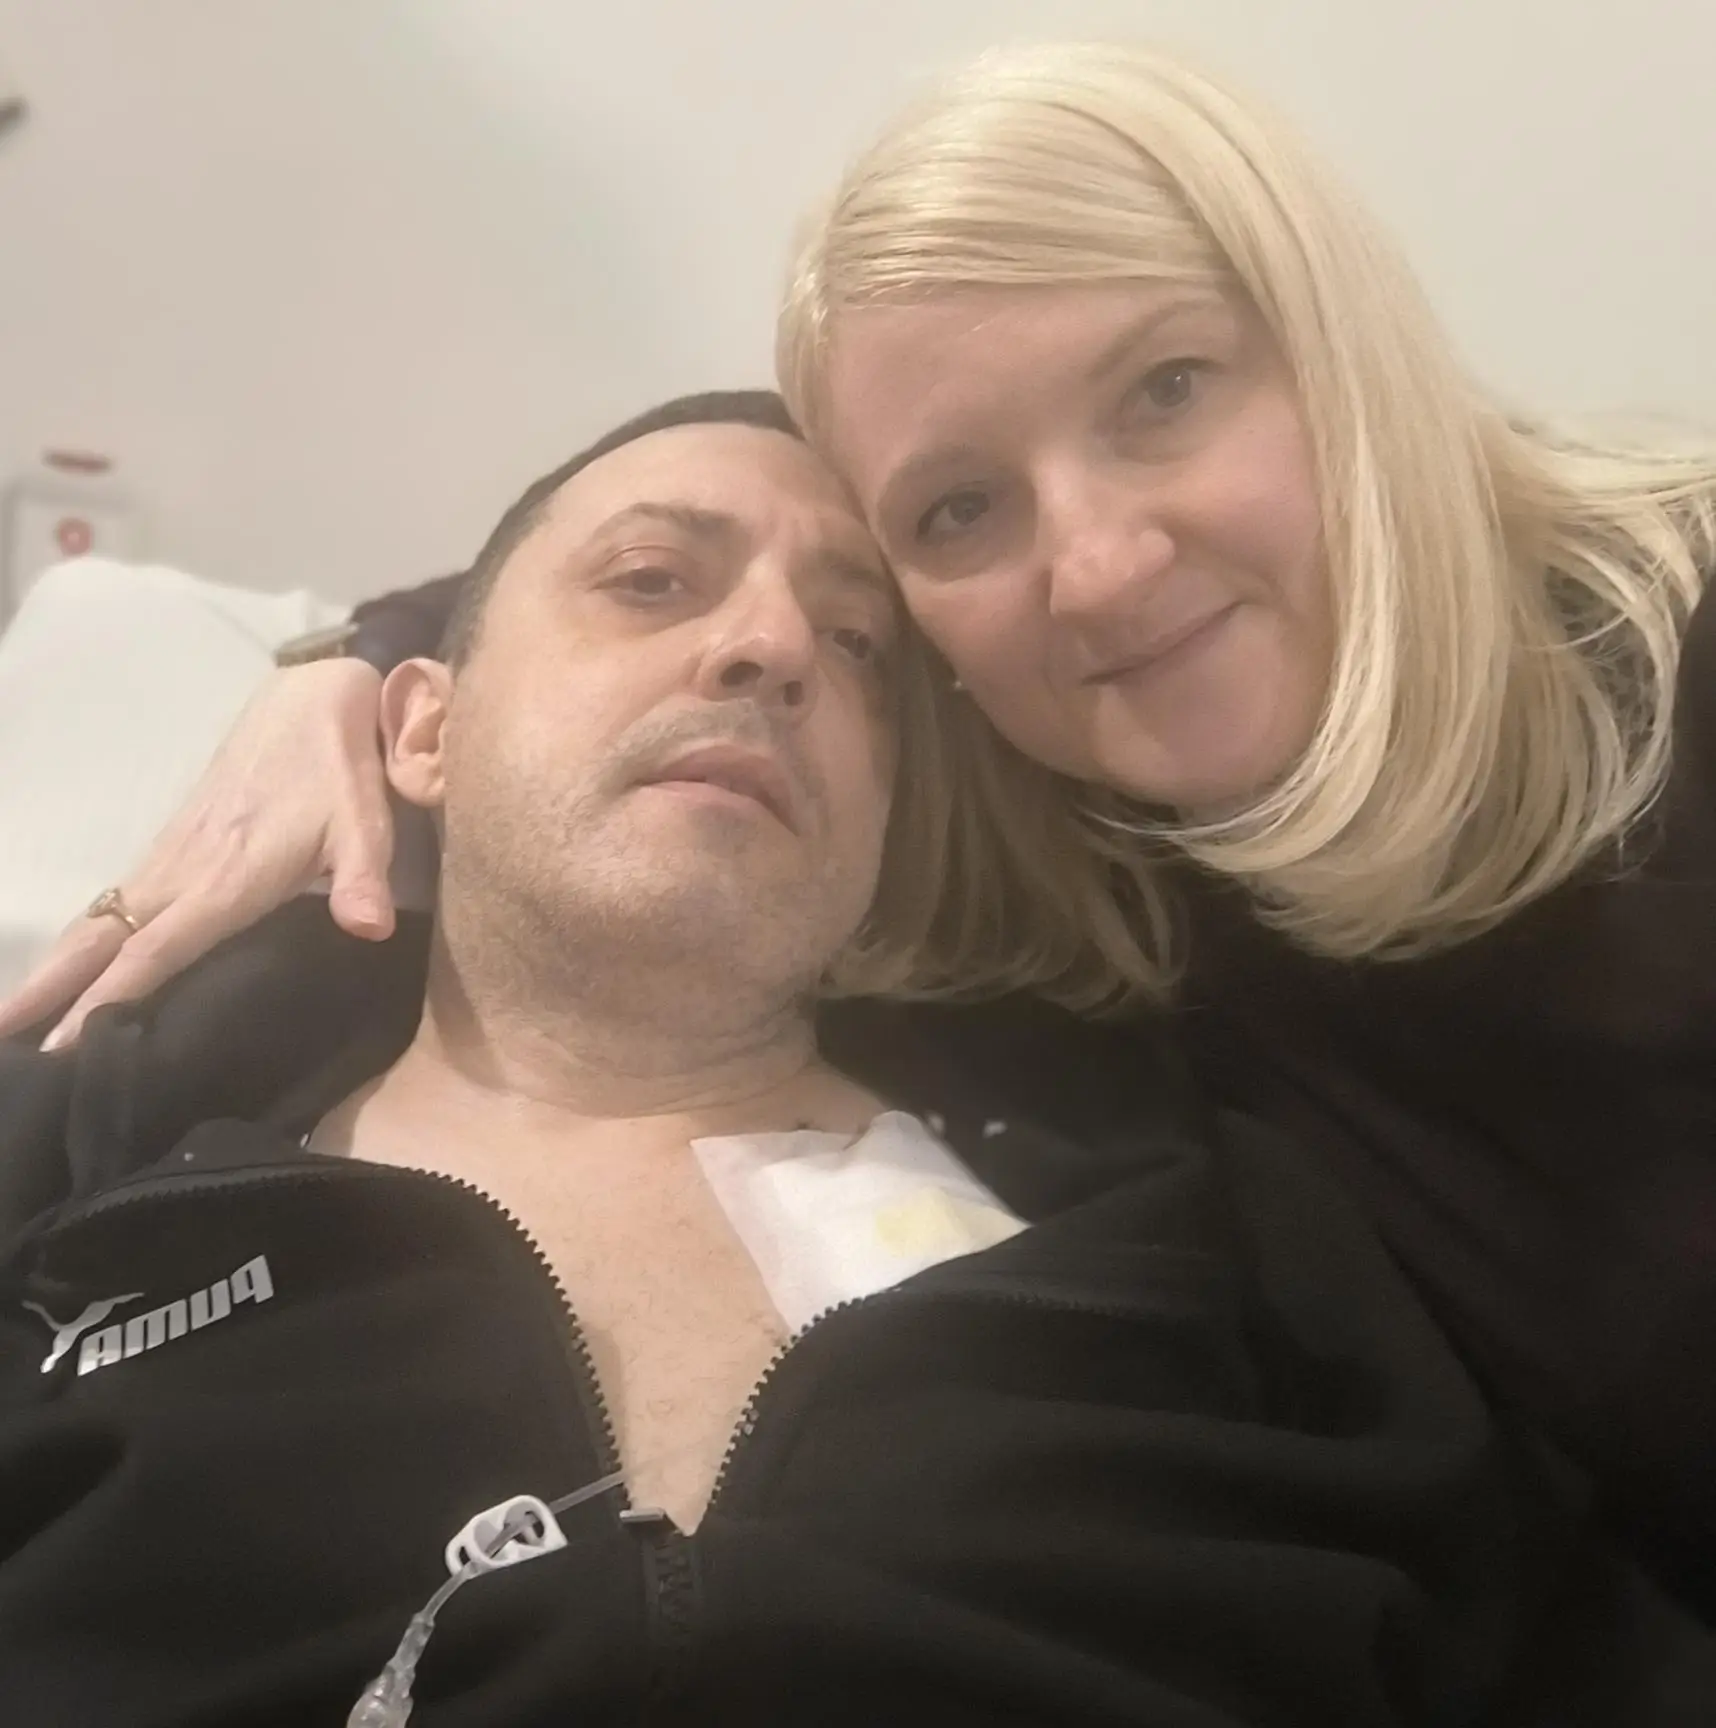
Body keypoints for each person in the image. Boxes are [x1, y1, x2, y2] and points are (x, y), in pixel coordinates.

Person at [4, 37, 1714, 1624]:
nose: (1097, 565)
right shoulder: (1089, 848)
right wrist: (339, 669)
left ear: (1338, 348)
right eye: (961, 507)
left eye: (1167, 388)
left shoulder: (1663, 658)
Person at [0, 390, 1567, 1725]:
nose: (771, 649)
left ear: (891, 810)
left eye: (860, 642)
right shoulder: (85, 1175)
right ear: (423, 731)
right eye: (650, 581)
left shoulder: (1194, 1213)